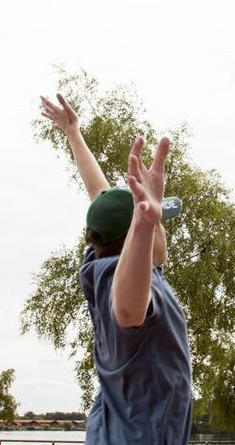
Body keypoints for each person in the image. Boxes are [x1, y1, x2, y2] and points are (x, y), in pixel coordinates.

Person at [41, 94, 191, 445]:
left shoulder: (109, 257)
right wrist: (145, 223)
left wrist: (72, 132)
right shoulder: (117, 279)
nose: (161, 229)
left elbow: (101, 194)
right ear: (134, 236)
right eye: (157, 224)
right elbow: (126, 310)